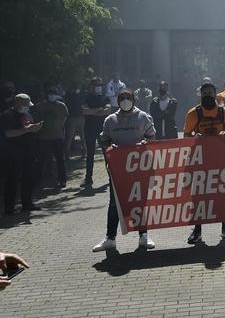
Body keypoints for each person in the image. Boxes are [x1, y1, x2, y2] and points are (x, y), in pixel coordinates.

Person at [92, 89, 156, 252]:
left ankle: (143, 236)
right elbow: (103, 141)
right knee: (114, 204)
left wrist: (145, 142)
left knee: (140, 202)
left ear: (134, 100)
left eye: (128, 98)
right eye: (122, 98)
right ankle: (110, 238)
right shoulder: (110, 120)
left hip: (139, 168)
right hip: (118, 170)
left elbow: (152, 137)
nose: (125, 100)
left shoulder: (143, 117)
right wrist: (109, 149)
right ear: (118, 101)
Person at [183, 83, 225, 244]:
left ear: (215, 94)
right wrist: (195, 136)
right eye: (204, 92)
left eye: (210, 92)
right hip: (200, 161)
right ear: (200, 94)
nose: (207, 95)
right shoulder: (193, 113)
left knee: (223, 194)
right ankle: (197, 230)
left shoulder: (223, 112)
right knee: (198, 196)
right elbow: (186, 136)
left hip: (221, 160)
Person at [2, 94, 43, 214]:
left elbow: (28, 126)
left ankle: (27, 203)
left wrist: (35, 128)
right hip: (13, 152)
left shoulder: (27, 114)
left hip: (28, 150)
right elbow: (8, 133)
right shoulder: (7, 115)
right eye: (25, 104)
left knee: (29, 177)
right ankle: (9, 207)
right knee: (12, 179)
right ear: (17, 103)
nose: (27, 107)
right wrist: (27, 130)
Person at [32, 87, 68, 188]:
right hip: (43, 137)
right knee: (41, 160)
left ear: (56, 95)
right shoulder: (40, 106)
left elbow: (65, 117)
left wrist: (59, 126)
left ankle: (62, 179)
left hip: (57, 136)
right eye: (50, 94)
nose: (51, 96)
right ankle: (37, 181)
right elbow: (36, 118)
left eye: (53, 94)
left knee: (60, 159)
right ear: (47, 95)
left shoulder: (61, 105)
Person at [81, 77, 111, 189]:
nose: (98, 87)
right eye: (95, 85)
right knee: (90, 154)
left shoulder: (105, 97)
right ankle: (88, 179)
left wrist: (92, 111)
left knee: (107, 154)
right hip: (89, 129)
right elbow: (84, 111)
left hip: (103, 129)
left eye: (99, 85)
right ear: (91, 86)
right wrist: (99, 110)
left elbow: (107, 110)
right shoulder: (86, 97)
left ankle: (111, 177)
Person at [63, 82, 87, 159]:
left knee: (82, 136)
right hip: (72, 117)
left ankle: (84, 152)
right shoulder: (68, 95)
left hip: (80, 117)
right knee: (70, 136)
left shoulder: (81, 95)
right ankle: (67, 154)